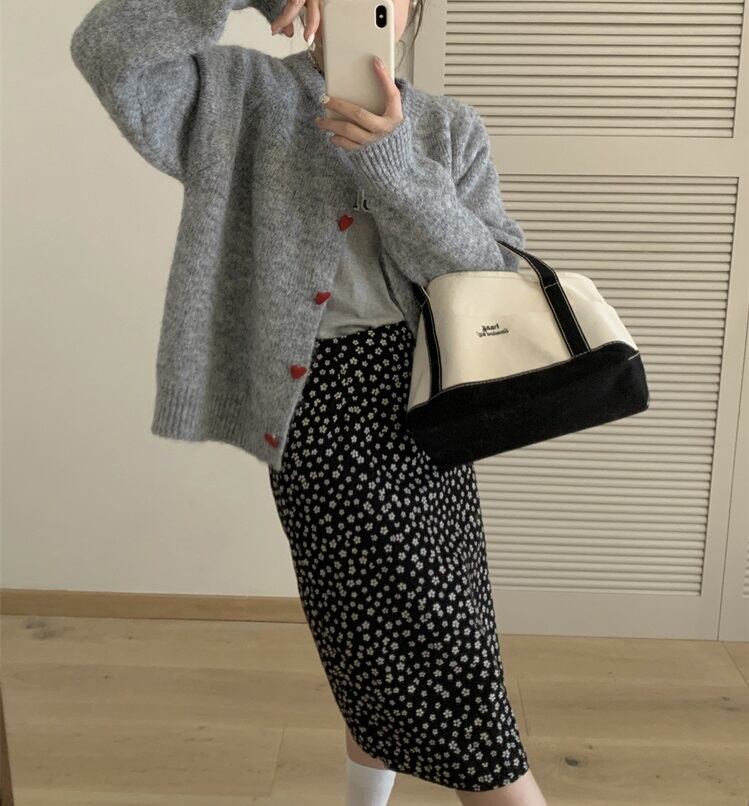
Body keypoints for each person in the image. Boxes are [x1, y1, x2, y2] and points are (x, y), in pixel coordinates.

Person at [70, 0, 548, 803]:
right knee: (432, 640)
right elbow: (106, 51)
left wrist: (393, 166)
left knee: (401, 625)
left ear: (410, 9)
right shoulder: (239, 96)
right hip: (320, 407)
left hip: (429, 400)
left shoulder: (447, 127)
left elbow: (489, 272)